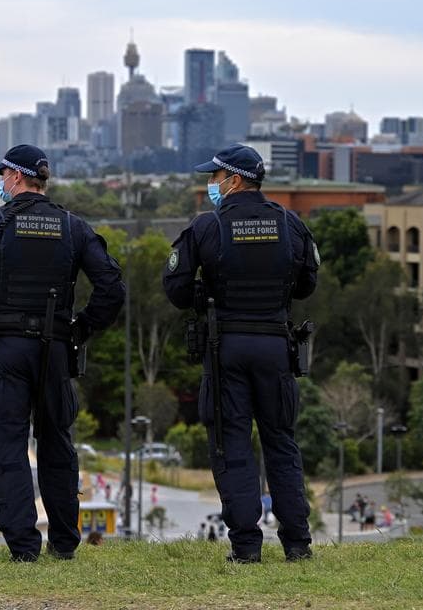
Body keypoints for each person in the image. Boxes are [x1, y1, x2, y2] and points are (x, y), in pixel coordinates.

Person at [0, 144, 126, 562]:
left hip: (6, 352)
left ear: (16, 177)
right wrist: (80, 330)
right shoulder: (73, 227)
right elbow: (112, 287)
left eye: (2, 176)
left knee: (7, 448)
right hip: (55, 352)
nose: (1, 183)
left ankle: (24, 549)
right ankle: (65, 545)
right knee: (57, 446)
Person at [163, 143, 320, 564]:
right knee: (281, 443)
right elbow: (307, 284)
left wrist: (204, 292)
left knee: (232, 446)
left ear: (233, 180)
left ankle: (247, 547)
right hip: (275, 346)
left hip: (226, 348)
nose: (210, 185)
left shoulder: (206, 227)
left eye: (213, 178)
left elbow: (175, 289)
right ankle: (297, 544)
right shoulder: (290, 224)